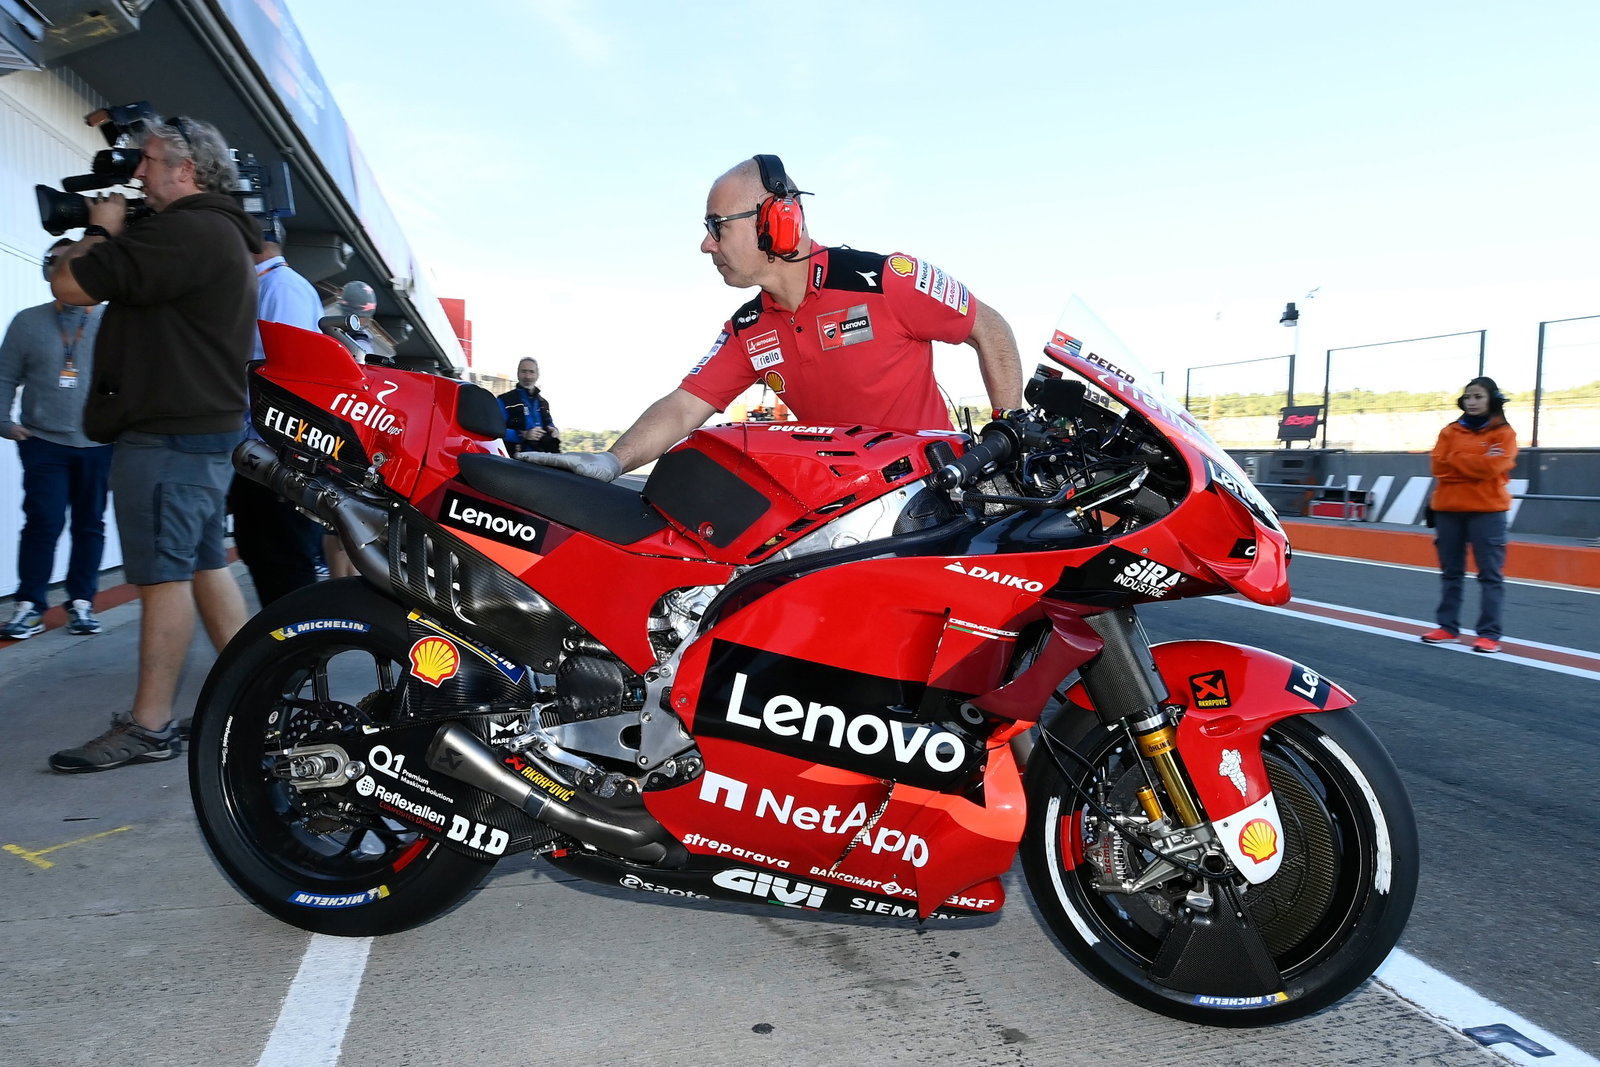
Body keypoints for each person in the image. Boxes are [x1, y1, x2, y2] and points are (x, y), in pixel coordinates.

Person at [520, 154, 1022, 481]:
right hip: (845, 511)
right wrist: (612, 460)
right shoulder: (748, 329)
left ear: (775, 221)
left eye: (716, 227)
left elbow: (989, 327)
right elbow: (684, 405)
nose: (705, 244)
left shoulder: (885, 278)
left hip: (937, 496)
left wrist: (1007, 436)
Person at [44, 115, 261, 772]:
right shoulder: (213, 231)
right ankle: (256, 693)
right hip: (196, 431)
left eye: (148, 160)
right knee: (201, 563)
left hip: (169, 436)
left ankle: (149, 724)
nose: (136, 172)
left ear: (185, 171)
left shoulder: (186, 230)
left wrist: (101, 228)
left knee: (162, 575)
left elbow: (70, 284)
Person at [0, 240, 112, 639]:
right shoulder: (28, 321)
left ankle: (82, 603)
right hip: (44, 442)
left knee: (89, 525)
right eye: (56, 261)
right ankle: (30, 604)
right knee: (42, 523)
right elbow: (5, 376)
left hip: (98, 445)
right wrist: (4, 422)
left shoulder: (111, 321)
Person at [228, 235, 324, 607]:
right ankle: (291, 655)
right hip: (263, 449)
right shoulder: (272, 285)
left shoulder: (281, 287)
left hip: (274, 451)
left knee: (281, 560)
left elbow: (291, 375)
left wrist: (277, 451)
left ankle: (297, 659)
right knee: (263, 552)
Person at [1420, 376, 1517, 654]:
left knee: (1490, 575)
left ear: (1491, 400)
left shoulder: (1504, 433)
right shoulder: (1449, 431)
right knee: (1451, 572)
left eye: (1478, 397)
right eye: (1468, 397)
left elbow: (1494, 467)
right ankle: (1447, 627)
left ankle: (1489, 634)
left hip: (1488, 512)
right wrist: (1477, 462)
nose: (1472, 402)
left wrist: (1456, 460)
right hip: (1449, 510)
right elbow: (1438, 466)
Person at [498, 357, 560, 456]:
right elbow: (496, 431)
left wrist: (554, 431)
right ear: (518, 374)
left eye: (531, 372)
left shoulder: (543, 403)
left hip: (543, 458)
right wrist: (523, 435)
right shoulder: (504, 400)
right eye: (524, 371)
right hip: (515, 460)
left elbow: (550, 424)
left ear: (537, 375)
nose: (527, 376)